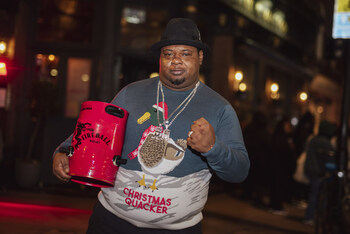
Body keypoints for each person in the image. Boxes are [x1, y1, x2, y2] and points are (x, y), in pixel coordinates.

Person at [52, 18, 250, 233]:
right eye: (168, 54)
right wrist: (63, 150)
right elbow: (95, 129)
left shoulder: (219, 108)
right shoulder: (130, 93)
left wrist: (214, 148)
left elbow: (239, 172)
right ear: (160, 58)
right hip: (110, 222)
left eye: (185, 53)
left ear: (200, 57)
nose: (176, 61)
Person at [303, 120, 337, 225]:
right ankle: (310, 217)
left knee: (313, 194)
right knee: (315, 194)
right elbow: (331, 157)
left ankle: (309, 216)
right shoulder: (325, 142)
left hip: (310, 169)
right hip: (318, 171)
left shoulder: (313, 139)